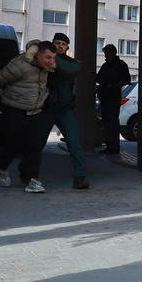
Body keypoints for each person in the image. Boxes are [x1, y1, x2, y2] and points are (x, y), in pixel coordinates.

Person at [0, 40, 56, 193]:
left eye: (54, 58)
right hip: (14, 109)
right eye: (48, 57)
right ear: (37, 54)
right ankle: (1, 166)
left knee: (35, 146)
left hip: (35, 111)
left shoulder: (47, 67)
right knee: (14, 144)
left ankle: (33, 180)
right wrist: (14, 93)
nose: (51, 61)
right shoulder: (20, 65)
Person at [43, 32, 89, 190]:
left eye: (63, 44)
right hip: (46, 109)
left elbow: (71, 70)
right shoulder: (43, 61)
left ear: (67, 46)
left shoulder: (72, 63)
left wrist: (53, 59)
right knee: (35, 144)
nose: (60, 46)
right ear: (52, 44)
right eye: (57, 43)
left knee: (74, 143)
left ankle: (80, 177)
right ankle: (28, 175)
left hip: (65, 110)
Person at [95, 43, 131, 155]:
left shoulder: (120, 65)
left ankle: (114, 147)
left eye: (106, 54)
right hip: (104, 97)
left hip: (113, 98)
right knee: (106, 123)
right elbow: (100, 79)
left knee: (112, 122)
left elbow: (126, 80)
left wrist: (112, 85)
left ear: (112, 53)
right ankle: (109, 146)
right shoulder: (105, 66)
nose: (105, 56)